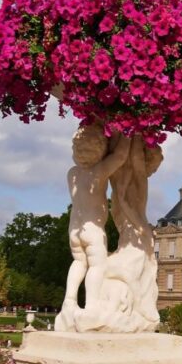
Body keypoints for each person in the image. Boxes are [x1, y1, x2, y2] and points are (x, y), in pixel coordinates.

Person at [55, 125, 130, 332]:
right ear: (99, 151)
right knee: (98, 266)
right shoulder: (98, 172)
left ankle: (69, 300)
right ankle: (92, 305)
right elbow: (121, 156)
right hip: (92, 228)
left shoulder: (72, 174)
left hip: (74, 229)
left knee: (79, 262)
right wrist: (127, 129)